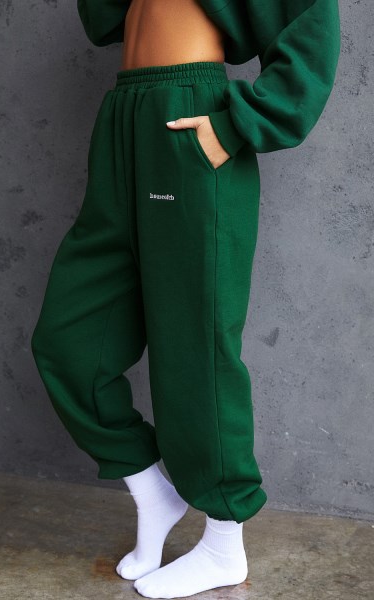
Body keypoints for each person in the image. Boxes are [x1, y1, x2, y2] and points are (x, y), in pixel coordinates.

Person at [30, 0, 341, 597]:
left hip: (189, 115)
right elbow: (102, 20)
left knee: (195, 344)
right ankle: (155, 494)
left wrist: (237, 124)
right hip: (124, 115)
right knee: (69, 343)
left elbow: (311, 20)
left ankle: (225, 544)